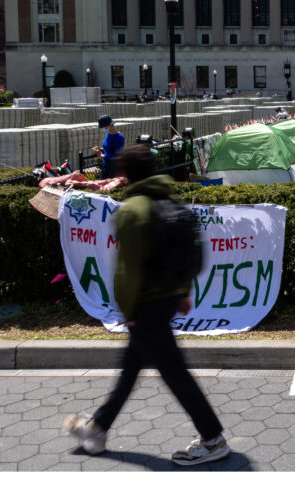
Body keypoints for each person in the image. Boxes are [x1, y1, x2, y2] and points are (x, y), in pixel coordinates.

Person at [64, 145, 228, 466]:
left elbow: (128, 270)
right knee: (131, 367)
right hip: (167, 298)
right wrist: (182, 291)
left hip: (147, 304)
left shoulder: (132, 210)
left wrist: (129, 313)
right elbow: (183, 253)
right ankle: (98, 428)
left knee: (174, 372)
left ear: (124, 174)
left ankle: (212, 439)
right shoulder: (167, 199)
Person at [92, 115, 125, 179]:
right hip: (106, 165)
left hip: (113, 168)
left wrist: (101, 155)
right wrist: (100, 149)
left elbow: (117, 156)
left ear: (107, 126)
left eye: (103, 127)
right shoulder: (108, 134)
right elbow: (109, 148)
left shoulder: (119, 137)